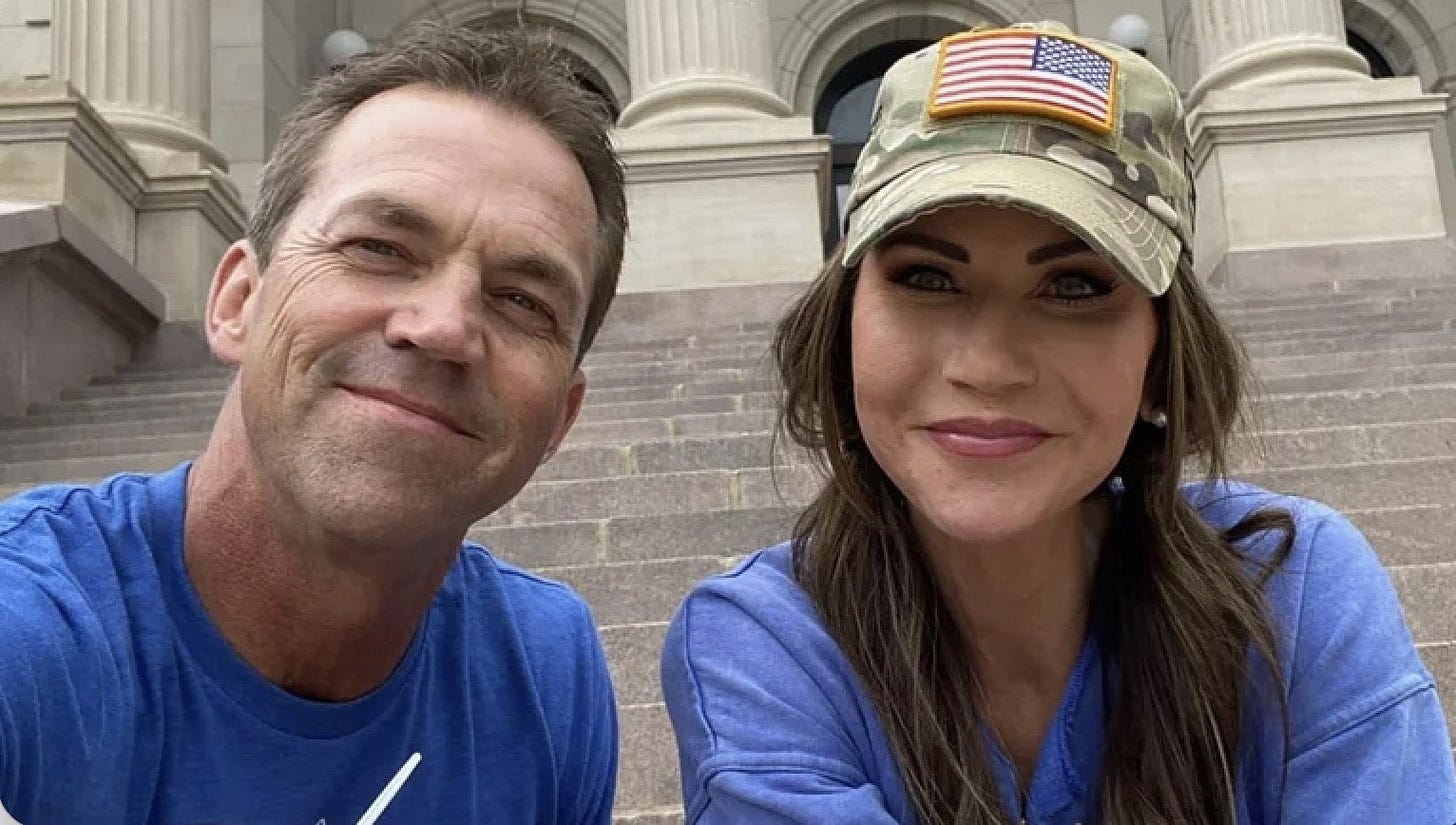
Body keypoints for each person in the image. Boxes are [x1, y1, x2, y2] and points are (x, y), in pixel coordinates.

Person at [662, 21, 1456, 825]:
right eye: (928, 276)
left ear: (1159, 360)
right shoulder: (765, 647)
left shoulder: (1295, 595)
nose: (989, 363)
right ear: (843, 328)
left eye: (1074, 286)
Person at [0, 20, 627, 825]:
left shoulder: (546, 673)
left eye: (522, 300)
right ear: (236, 303)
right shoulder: (32, 627)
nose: (441, 326)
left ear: (559, 422)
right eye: (379, 246)